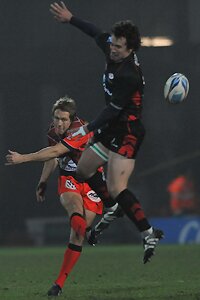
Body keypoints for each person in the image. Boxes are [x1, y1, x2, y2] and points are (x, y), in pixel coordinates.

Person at [49, 2, 164, 263]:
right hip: (112, 128)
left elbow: (112, 110)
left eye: (118, 47)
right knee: (82, 170)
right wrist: (71, 18)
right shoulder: (112, 48)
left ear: (130, 49)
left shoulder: (130, 75)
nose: (112, 49)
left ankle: (148, 233)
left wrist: (87, 129)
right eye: (112, 43)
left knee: (117, 186)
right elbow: (94, 32)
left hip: (128, 132)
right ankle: (112, 208)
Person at [6, 95, 117, 297]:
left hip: (92, 181)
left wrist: (22, 158)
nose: (59, 123)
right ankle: (58, 284)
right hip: (70, 180)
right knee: (77, 226)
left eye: (64, 119)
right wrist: (43, 181)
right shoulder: (53, 131)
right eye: (56, 118)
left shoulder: (79, 130)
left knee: (83, 229)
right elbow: (53, 156)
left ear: (72, 119)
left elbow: (56, 150)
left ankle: (92, 230)